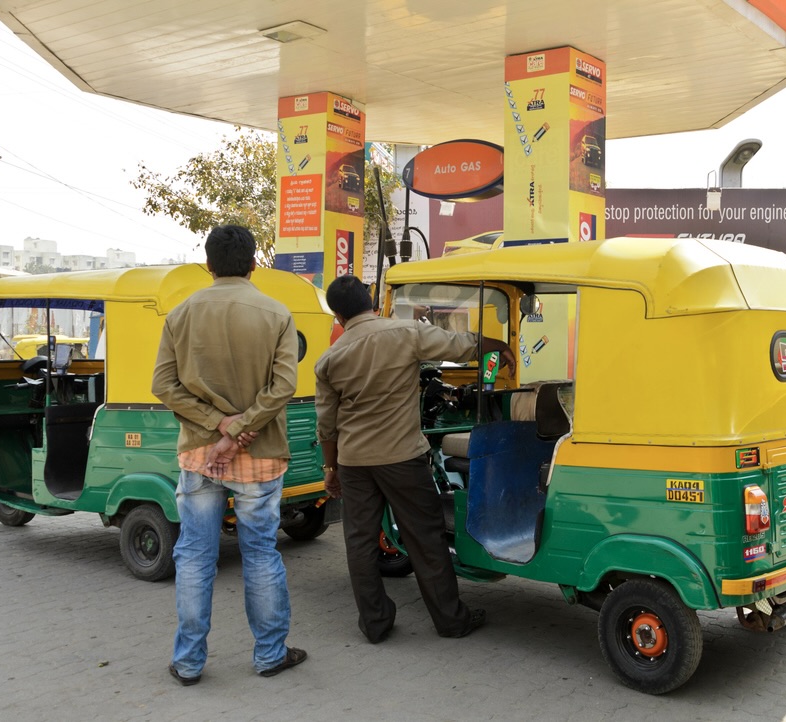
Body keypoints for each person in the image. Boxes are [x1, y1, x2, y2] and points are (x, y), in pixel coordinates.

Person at [316, 275, 515, 644]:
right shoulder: (404, 333)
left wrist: (331, 470)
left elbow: (326, 426)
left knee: (359, 542)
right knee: (425, 537)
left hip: (354, 462)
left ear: (338, 315)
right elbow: (458, 344)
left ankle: (375, 624)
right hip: (402, 458)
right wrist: (495, 344)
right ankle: (451, 620)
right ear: (371, 301)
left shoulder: (329, 359)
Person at [152, 225, 307, 685]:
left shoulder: (180, 314)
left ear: (208, 265)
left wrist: (217, 425)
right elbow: (284, 386)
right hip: (260, 455)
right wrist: (238, 429)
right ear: (254, 264)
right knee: (260, 555)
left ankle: (188, 663)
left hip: (200, 455)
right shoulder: (277, 313)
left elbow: (163, 385)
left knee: (195, 557)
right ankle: (270, 655)